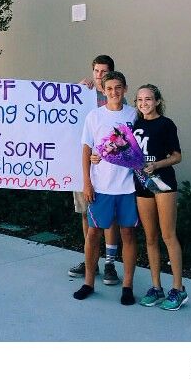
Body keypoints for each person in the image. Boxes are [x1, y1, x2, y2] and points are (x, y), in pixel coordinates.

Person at [73, 71, 138, 305]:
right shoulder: (94, 116)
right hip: (101, 187)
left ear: (125, 89)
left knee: (128, 234)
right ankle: (89, 282)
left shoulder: (134, 114)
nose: (114, 92)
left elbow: (140, 146)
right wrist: (87, 182)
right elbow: (85, 150)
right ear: (104, 90)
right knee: (93, 234)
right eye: (110, 88)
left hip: (128, 187)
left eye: (118, 87)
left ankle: (128, 286)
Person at [133, 84, 187, 310]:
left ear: (157, 101)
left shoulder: (166, 124)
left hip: (163, 183)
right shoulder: (135, 125)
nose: (144, 103)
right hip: (142, 185)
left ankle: (178, 289)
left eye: (148, 99)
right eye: (140, 100)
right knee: (151, 237)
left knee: (167, 235)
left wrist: (156, 164)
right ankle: (156, 287)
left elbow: (177, 156)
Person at [69, 54, 121, 285]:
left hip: (109, 173)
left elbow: (121, 136)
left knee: (109, 218)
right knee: (86, 214)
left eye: (104, 72)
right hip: (83, 168)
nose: (99, 76)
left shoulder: (115, 98)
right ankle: (91, 261)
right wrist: (75, 91)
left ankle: (110, 264)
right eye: (96, 72)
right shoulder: (83, 95)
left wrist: (104, 152)